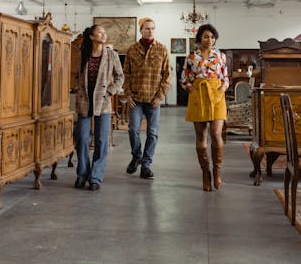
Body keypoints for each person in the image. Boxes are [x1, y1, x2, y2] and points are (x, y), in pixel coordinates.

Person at [74, 25, 124, 191]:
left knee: (102, 141)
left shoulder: (112, 55)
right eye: (100, 32)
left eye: (104, 32)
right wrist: (79, 90)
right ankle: (82, 174)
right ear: (91, 36)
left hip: (103, 102)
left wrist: (110, 91)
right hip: (84, 102)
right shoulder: (83, 54)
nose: (104, 34)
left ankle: (95, 177)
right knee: (82, 139)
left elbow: (120, 77)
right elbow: (78, 76)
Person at [180, 24, 229, 191]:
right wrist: (192, 89)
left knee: (216, 134)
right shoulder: (192, 57)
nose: (210, 40)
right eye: (207, 36)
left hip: (217, 96)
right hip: (199, 95)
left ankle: (217, 171)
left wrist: (222, 88)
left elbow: (226, 77)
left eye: (213, 37)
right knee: (201, 136)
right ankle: (205, 173)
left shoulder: (221, 56)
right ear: (200, 37)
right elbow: (184, 79)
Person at [122, 17, 171, 180]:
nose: (150, 31)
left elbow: (167, 76)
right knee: (133, 130)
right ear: (141, 30)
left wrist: (160, 96)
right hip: (135, 98)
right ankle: (136, 156)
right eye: (147, 28)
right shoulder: (132, 50)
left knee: (153, 133)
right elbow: (126, 74)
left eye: (152, 28)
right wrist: (127, 94)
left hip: (153, 100)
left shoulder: (162, 49)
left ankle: (146, 165)